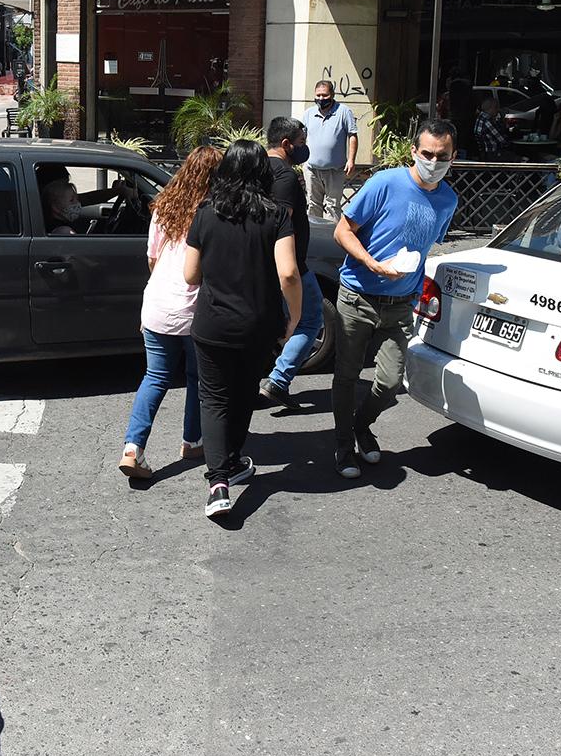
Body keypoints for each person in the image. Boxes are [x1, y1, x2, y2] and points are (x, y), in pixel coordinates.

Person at [330, 119, 459, 479]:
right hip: (357, 297)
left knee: (389, 383)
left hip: (401, 303)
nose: (434, 161)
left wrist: (415, 288)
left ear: (453, 156)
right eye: (428, 154)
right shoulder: (385, 183)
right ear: (414, 152)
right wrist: (372, 263)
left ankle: (361, 425)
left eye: (442, 155)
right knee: (346, 375)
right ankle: (343, 445)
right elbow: (343, 230)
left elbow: (422, 246)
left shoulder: (448, 199)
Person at [183, 139, 301, 517]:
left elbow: (189, 274)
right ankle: (233, 461)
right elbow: (288, 273)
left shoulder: (205, 212)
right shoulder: (277, 214)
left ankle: (218, 482)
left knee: (214, 398)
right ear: (262, 173)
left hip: (213, 322)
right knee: (244, 392)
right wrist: (294, 318)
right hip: (258, 323)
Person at [118, 145, 222, 479]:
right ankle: (192, 441)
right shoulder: (214, 211)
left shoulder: (165, 207)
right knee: (198, 379)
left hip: (158, 303)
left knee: (155, 377)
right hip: (194, 310)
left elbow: (152, 257)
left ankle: (133, 448)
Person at [260, 116, 323, 409]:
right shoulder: (284, 176)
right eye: (301, 143)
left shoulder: (258, 167)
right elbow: (280, 223)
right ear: (286, 144)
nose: (304, 148)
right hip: (291, 265)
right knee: (309, 321)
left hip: (265, 265)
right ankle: (278, 381)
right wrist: (291, 269)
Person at [302, 80, 358, 221]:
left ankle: (330, 239)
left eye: (325, 95)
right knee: (313, 204)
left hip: (335, 170)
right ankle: (314, 238)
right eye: (318, 95)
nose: (321, 99)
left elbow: (352, 135)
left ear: (332, 95)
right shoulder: (308, 113)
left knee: (332, 207)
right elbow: (301, 137)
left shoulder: (344, 111)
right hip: (311, 169)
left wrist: (351, 160)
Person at [474, 95, 514, 161]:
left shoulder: (480, 118)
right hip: (494, 154)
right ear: (491, 108)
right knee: (521, 159)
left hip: (486, 154)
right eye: (496, 108)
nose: (498, 110)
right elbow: (503, 141)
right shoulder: (487, 121)